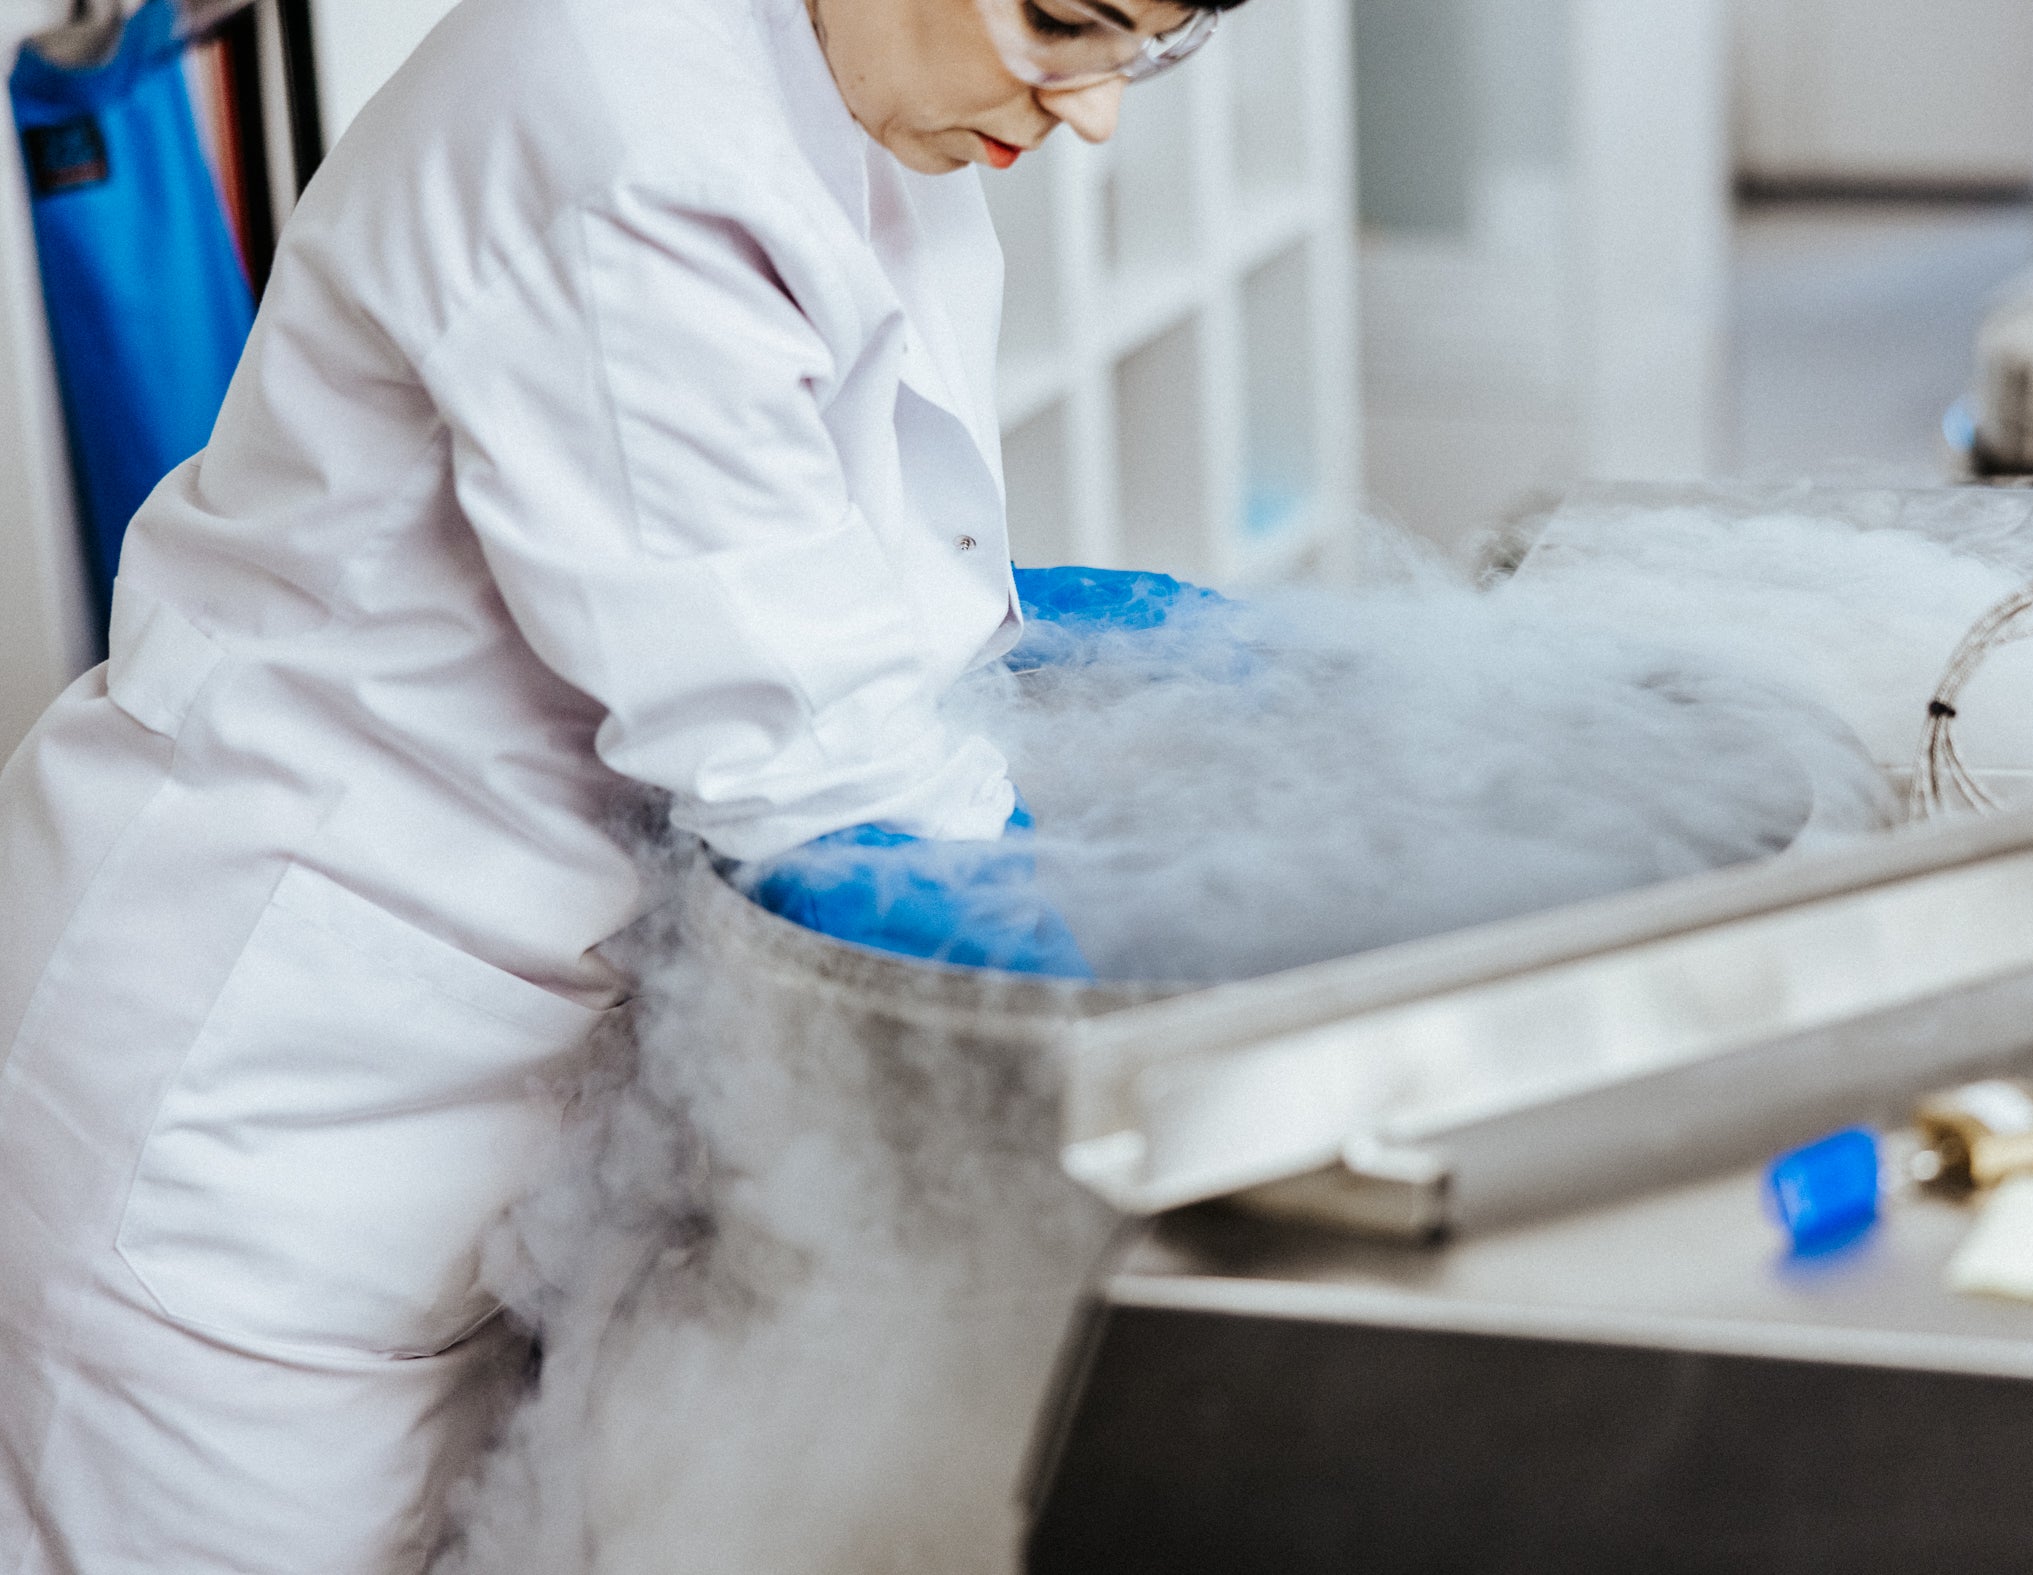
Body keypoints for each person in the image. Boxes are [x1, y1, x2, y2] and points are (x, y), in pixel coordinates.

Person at [0, 0, 1238, 1564]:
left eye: (1148, 45)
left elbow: (785, 532)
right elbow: (816, 782)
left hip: (487, 1100)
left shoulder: (867, 82)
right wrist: (1209, 1034)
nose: (1095, 108)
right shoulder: (625, 129)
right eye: (1068, 22)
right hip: (258, 1118)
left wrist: (1029, 631)